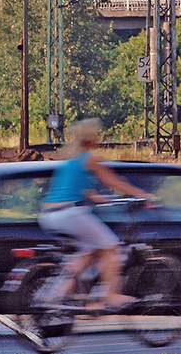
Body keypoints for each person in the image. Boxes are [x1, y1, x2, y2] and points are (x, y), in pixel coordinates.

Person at [38, 118, 150, 310]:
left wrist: (95, 197)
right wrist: (143, 195)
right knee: (112, 246)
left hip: (49, 214)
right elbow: (114, 182)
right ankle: (111, 295)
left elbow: (76, 188)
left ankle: (56, 299)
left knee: (90, 252)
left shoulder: (70, 160)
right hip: (69, 213)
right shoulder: (90, 158)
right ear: (93, 138)